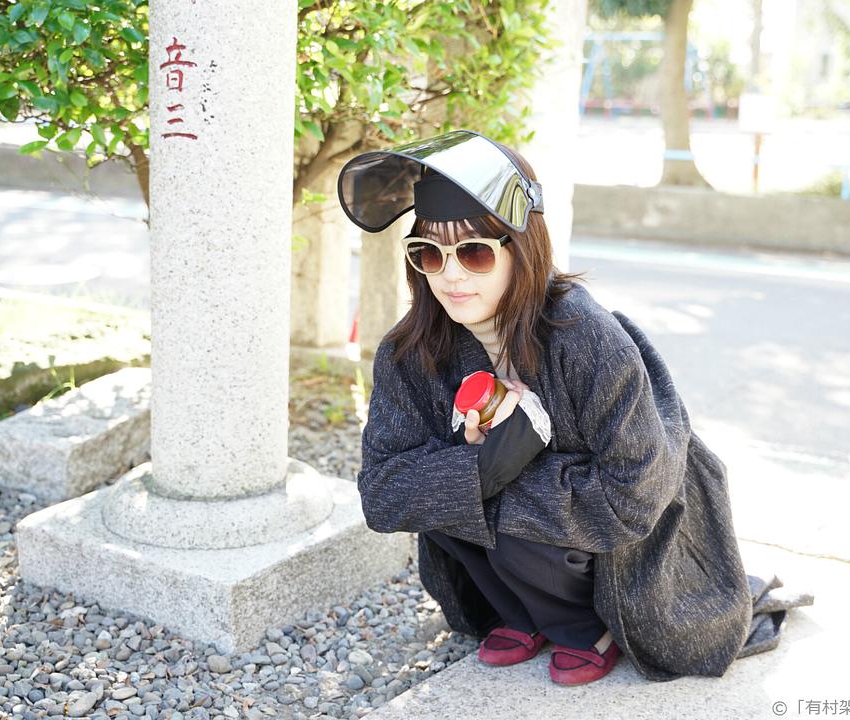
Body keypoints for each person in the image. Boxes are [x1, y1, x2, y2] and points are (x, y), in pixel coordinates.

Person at [338, 129, 811, 686]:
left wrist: (482, 481)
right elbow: (383, 493)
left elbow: (636, 496)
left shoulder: (585, 336)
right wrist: (486, 466)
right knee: (448, 507)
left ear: (521, 249)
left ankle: (586, 628)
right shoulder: (410, 351)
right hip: (541, 532)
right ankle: (520, 615)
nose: (451, 275)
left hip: (630, 542)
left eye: (473, 251)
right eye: (428, 253)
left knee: (474, 510)